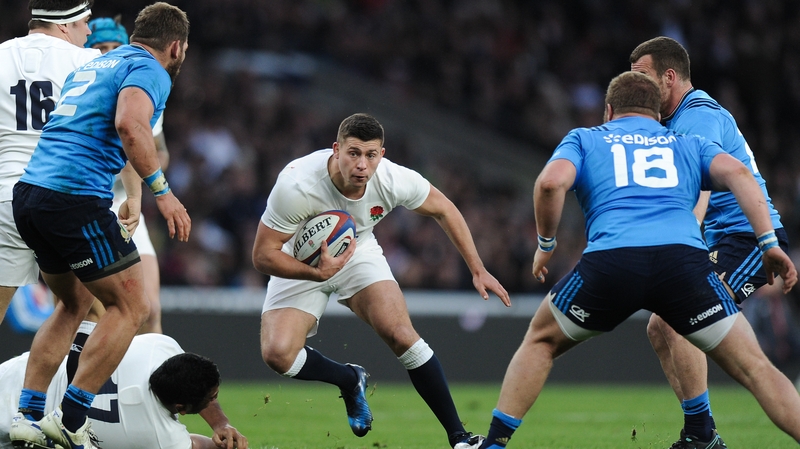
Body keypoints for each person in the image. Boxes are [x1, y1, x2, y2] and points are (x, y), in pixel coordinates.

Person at [475, 71, 800, 449]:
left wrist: (546, 243)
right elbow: (741, 174)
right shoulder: (687, 142)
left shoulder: (585, 138)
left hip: (613, 263)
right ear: (657, 113)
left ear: (608, 110)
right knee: (756, 368)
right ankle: (704, 430)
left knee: (541, 341)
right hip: (684, 264)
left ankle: (494, 444)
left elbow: (550, 183)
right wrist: (768, 242)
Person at [252, 112, 511, 449]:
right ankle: (348, 379)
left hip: (357, 250)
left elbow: (444, 208)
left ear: (382, 155)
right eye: (354, 153)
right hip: (301, 257)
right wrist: (316, 272)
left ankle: (459, 438)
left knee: (401, 334)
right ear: (336, 150)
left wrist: (477, 268)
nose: (362, 164)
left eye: (371, 155)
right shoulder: (298, 185)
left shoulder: (392, 179)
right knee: (278, 354)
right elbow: (262, 256)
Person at [9, 3, 192, 449]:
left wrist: (131, 195)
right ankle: (71, 418)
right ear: (176, 46)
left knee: (72, 305)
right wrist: (162, 193)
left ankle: (27, 415)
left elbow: (110, 132)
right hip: (75, 199)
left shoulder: (99, 61)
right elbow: (131, 127)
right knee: (134, 306)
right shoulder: (152, 69)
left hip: (31, 194)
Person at [629, 36, 790, 448]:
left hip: (747, 238)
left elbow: (699, 188)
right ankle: (702, 433)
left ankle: (701, 436)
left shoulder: (697, 115)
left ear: (669, 77)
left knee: (681, 324)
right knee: (660, 326)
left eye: (643, 75)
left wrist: (682, 241)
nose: (637, 84)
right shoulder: (670, 122)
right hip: (723, 240)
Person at [0, 0, 100, 326]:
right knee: (84, 310)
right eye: (85, 21)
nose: (89, 30)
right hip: (59, 196)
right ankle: (66, 380)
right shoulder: (87, 61)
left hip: (6, 194)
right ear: (64, 24)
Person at [0, 324, 248, 449]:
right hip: (18, 427)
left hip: (24, 376)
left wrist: (221, 424)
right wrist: (224, 437)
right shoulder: (159, 437)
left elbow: (195, 379)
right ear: (180, 408)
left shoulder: (158, 347)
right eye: (212, 396)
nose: (216, 398)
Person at [84, 15, 169, 334]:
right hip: (86, 202)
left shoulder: (139, 94)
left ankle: (155, 385)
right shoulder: (81, 90)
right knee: (85, 310)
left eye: (114, 46)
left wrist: (146, 168)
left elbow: (159, 151)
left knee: (150, 308)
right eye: (99, 47)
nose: (107, 52)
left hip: (124, 203)